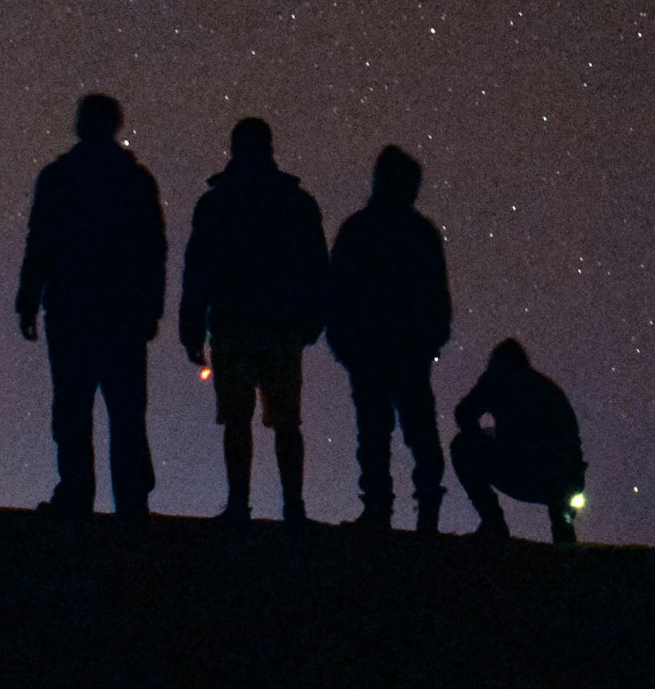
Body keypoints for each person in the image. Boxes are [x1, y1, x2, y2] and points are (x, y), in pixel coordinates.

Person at [16, 92, 168, 520]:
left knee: (72, 406)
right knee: (125, 409)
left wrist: (29, 298)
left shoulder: (59, 177)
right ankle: (132, 500)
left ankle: (77, 492)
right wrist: (151, 307)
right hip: (121, 312)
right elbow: (153, 248)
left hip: (72, 309)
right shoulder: (135, 180)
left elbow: (40, 241)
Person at [178, 116, 328, 526]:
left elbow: (198, 269)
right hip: (281, 324)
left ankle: (239, 505)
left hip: (234, 323)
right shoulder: (294, 202)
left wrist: (192, 327)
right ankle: (292, 508)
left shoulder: (217, 203)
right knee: (285, 420)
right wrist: (314, 317)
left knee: (238, 417)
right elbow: (316, 265)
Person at [326, 145, 452, 533]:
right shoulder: (419, 234)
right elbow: (436, 296)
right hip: (399, 350)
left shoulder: (359, 230)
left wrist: (343, 342)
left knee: (379, 432)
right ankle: (422, 511)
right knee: (412, 432)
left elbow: (337, 292)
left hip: (377, 349)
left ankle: (381, 509)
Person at [450, 338, 586, 544]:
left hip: (530, 470)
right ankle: (564, 536)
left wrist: (480, 436)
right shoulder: (546, 388)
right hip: (560, 476)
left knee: (461, 448)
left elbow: (464, 413)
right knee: (562, 507)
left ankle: (493, 522)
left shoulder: (496, 381)